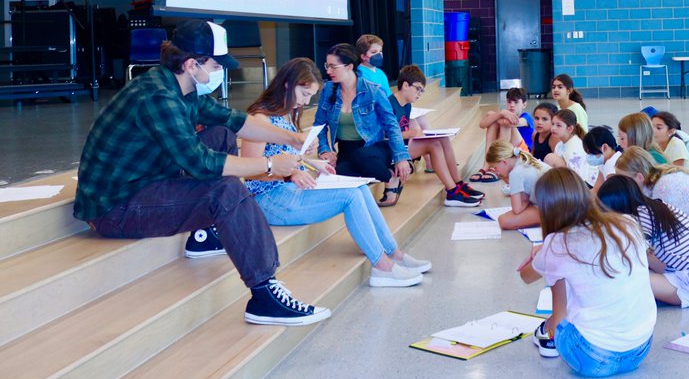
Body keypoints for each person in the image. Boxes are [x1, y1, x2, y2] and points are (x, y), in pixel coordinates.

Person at [74, 20, 331, 326]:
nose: (221, 72)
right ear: (192, 64)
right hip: (115, 207)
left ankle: (206, 234)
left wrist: (292, 138)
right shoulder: (158, 98)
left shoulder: (177, 85)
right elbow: (201, 164)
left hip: (146, 181)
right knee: (226, 190)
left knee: (221, 132)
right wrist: (271, 166)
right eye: (216, 64)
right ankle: (264, 294)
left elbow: (234, 120)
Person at [189, 58, 431, 288]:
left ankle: (394, 253)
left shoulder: (285, 113)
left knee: (357, 187)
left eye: (310, 96)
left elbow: (286, 157)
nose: (306, 102)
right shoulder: (260, 118)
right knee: (350, 196)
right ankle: (383, 267)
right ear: (288, 85)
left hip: (287, 189)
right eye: (304, 94)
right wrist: (289, 174)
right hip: (268, 198)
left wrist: (313, 164)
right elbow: (251, 173)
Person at [518, 168, 656, 377]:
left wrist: (541, 253)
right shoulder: (627, 223)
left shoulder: (557, 244)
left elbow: (526, 276)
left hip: (592, 358)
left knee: (558, 280)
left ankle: (548, 331)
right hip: (640, 349)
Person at [313, 44, 414, 208]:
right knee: (341, 172)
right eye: (327, 66)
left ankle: (391, 177)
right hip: (346, 149)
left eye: (333, 66)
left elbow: (392, 125)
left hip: (373, 148)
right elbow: (319, 125)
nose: (328, 71)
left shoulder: (373, 90)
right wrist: (324, 149)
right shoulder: (328, 90)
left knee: (361, 157)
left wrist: (401, 157)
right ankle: (382, 173)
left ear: (349, 67)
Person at [596, 175, 689, 307]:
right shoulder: (653, 207)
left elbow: (623, 256)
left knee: (628, 280)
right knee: (640, 261)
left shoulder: (640, 219)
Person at [388, 63, 483, 207]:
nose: (419, 94)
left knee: (442, 138)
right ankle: (452, 193)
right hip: (389, 149)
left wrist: (416, 133)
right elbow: (387, 136)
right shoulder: (389, 104)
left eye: (422, 91)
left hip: (402, 147)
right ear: (406, 85)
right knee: (433, 145)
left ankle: (458, 184)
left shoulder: (406, 105)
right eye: (418, 89)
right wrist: (414, 132)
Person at [615, 146, 689, 241]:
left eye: (624, 180)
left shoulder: (664, 186)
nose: (622, 185)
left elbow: (659, 230)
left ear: (640, 177)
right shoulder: (659, 180)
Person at [484, 140, 547, 230]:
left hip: (557, 208)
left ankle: (553, 219)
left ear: (504, 162)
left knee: (503, 220)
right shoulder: (523, 159)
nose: (496, 172)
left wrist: (525, 201)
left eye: (495, 167)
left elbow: (517, 210)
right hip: (565, 198)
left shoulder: (515, 173)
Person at [653, 110, 689, 184]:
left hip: (687, 182)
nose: (653, 131)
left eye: (658, 128)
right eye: (651, 127)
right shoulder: (654, 144)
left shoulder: (677, 144)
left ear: (670, 131)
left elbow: (677, 172)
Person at [543, 106, 595, 184]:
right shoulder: (560, 145)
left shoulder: (575, 146)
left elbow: (578, 177)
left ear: (570, 129)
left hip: (585, 184)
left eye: (558, 125)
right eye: (552, 124)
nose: (553, 128)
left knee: (550, 158)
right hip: (572, 181)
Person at [478, 86, 533, 153]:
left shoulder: (526, 117)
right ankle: (488, 159)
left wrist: (495, 114)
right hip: (511, 150)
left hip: (525, 154)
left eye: (516, 102)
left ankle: (499, 157)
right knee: (494, 122)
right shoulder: (503, 115)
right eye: (509, 102)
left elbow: (508, 123)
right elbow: (482, 125)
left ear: (524, 105)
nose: (512, 105)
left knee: (505, 124)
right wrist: (501, 113)